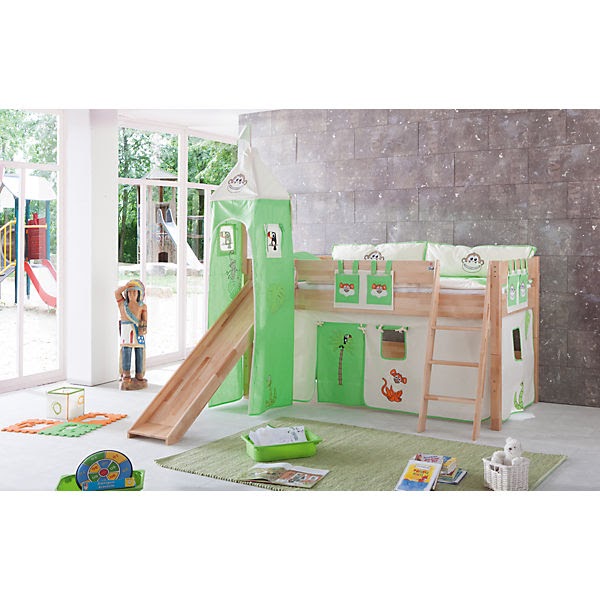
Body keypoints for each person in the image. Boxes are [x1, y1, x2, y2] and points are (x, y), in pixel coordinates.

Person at [115, 279, 148, 390]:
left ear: (139, 293)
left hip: (138, 331)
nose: (132, 294)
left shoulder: (142, 306)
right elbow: (116, 293)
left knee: (139, 352)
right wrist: (126, 286)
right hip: (126, 331)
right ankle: (126, 374)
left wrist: (143, 328)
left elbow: (144, 320)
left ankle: (139, 374)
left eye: (134, 291)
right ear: (126, 293)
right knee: (126, 351)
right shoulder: (122, 304)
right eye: (129, 292)